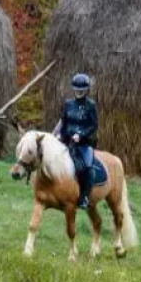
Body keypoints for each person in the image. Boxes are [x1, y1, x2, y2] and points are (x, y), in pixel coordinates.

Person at [57, 72, 99, 208]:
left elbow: (93, 125)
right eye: (77, 89)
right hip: (67, 141)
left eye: (82, 90)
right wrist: (60, 136)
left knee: (87, 167)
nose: (79, 92)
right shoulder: (68, 104)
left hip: (84, 143)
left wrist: (81, 135)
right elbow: (64, 122)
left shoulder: (91, 105)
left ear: (86, 90)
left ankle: (85, 197)